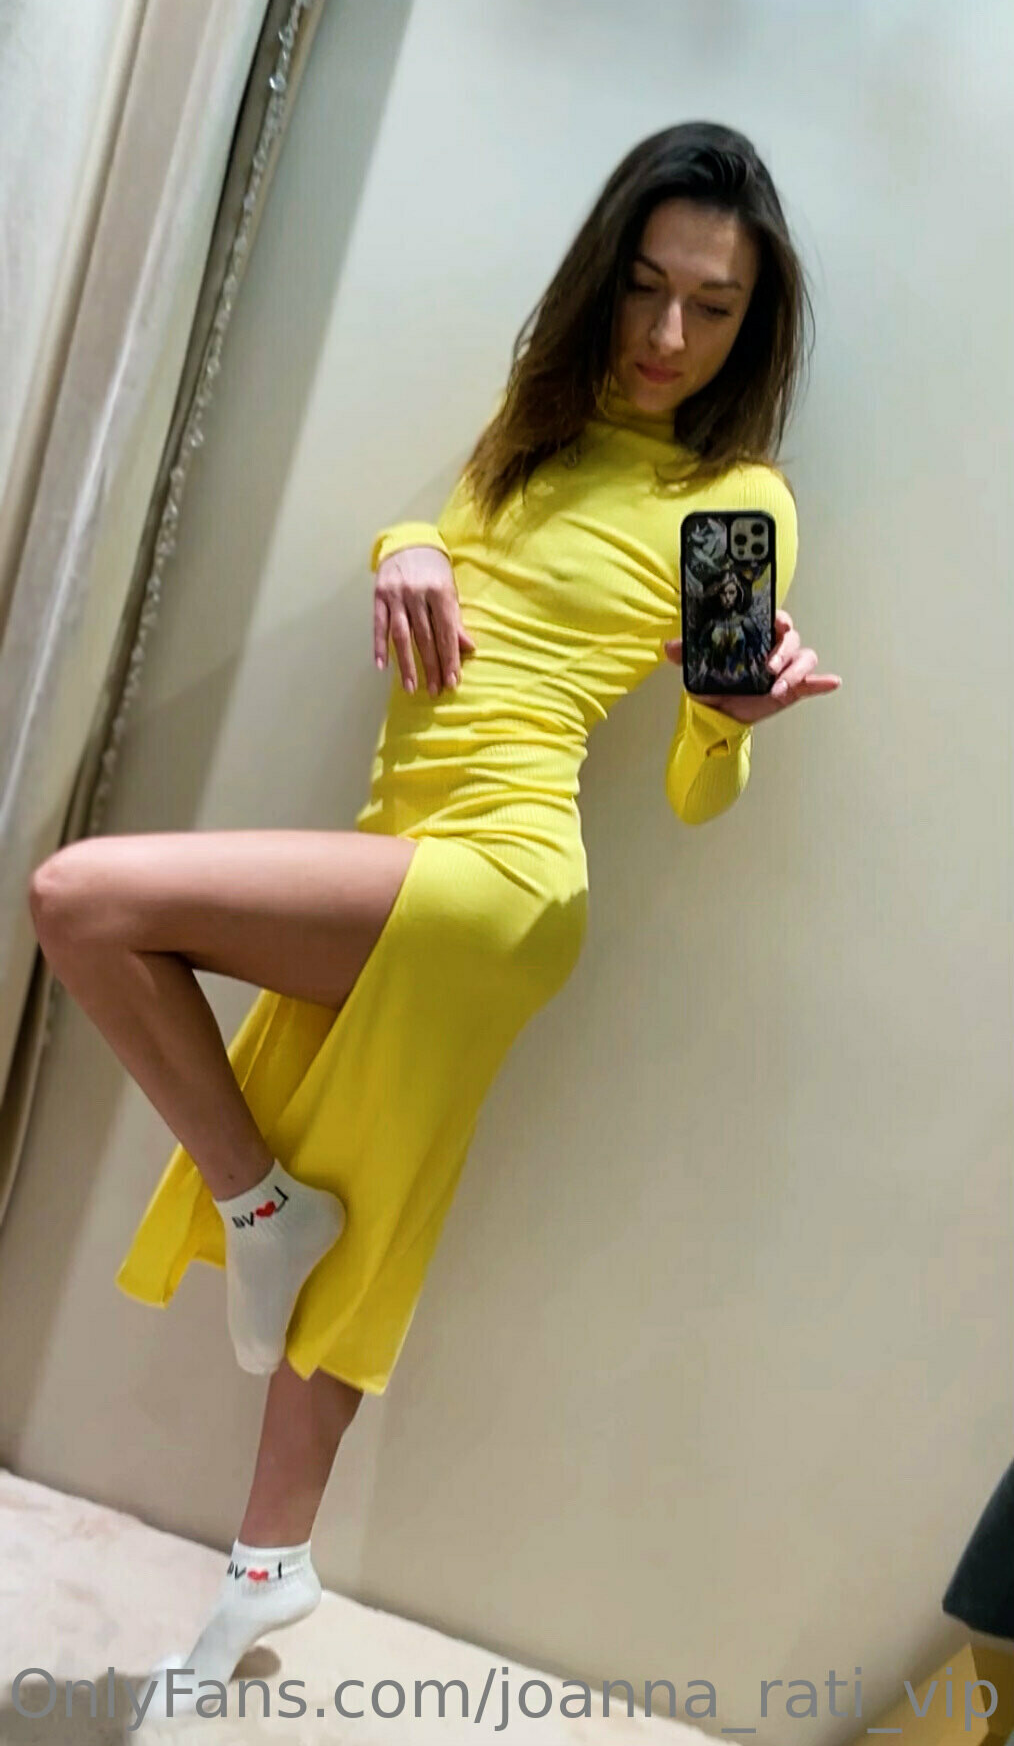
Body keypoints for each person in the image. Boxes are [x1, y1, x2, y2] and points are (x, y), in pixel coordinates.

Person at [27, 120, 841, 1724]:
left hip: (501, 879)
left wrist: (728, 720)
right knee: (369, 1206)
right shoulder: (525, 434)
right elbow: (444, 542)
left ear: (753, 323)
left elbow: (695, 793)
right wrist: (401, 542)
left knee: (82, 897)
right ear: (600, 274)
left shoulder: (733, 505)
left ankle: (254, 1206)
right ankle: (267, 1571)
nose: (669, 332)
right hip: (403, 851)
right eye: (645, 286)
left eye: (714, 305)